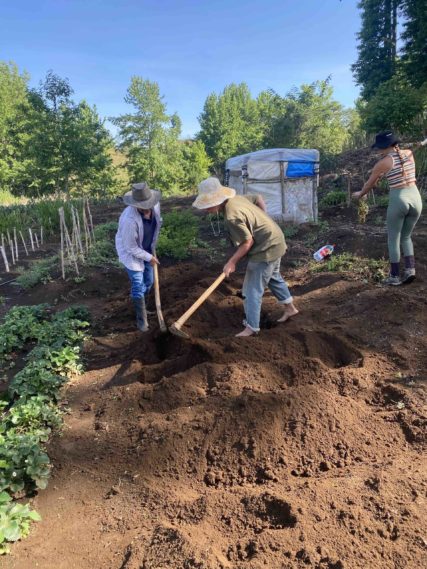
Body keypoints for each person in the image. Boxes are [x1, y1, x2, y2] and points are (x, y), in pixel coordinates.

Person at [192, 177, 298, 337]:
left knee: (251, 289)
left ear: (217, 200)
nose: (206, 209)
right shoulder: (236, 198)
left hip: (266, 248)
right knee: (273, 277)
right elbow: (258, 198)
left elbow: (248, 242)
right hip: (276, 238)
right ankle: (290, 309)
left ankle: (252, 327)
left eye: (207, 205)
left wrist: (231, 262)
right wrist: (264, 220)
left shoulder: (231, 216)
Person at [353, 131, 423, 286]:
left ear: (385, 146)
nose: (378, 151)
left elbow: (369, 185)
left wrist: (360, 194)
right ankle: (410, 270)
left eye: (379, 148)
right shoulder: (409, 153)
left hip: (399, 200)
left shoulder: (383, 163)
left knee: (393, 239)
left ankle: (394, 276)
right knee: (406, 237)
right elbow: (401, 172)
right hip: (416, 199)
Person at [115, 182, 162, 331]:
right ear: (136, 205)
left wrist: (151, 250)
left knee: (149, 281)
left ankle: (144, 308)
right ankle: (142, 320)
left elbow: (157, 223)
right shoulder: (129, 220)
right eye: (143, 206)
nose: (147, 208)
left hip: (147, 249)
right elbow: (130, 247)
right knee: (138, 284)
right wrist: (149, 257)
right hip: (132, 253)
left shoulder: (155, 205)